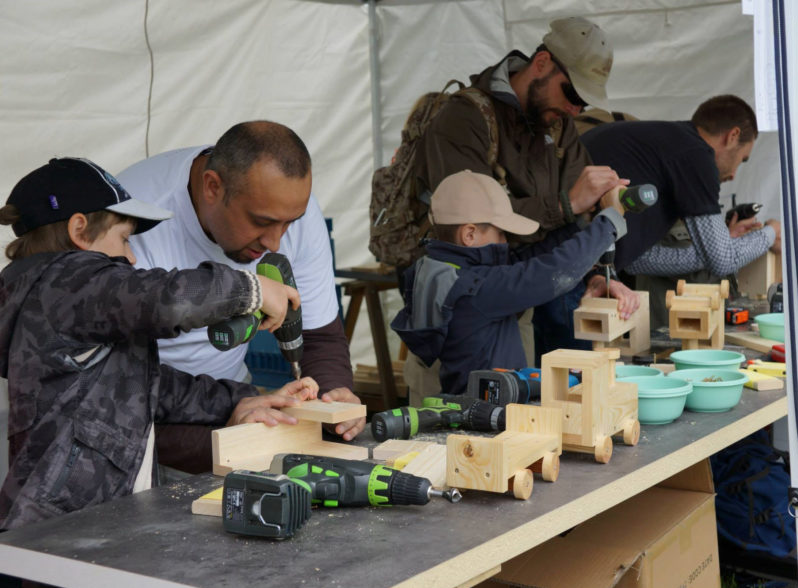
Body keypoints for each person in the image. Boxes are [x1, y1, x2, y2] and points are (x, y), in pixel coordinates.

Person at [0, 157, 320, 529]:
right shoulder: (64, 283)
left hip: (90, 518)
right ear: (79, 230)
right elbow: (166, 299)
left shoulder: (66, 307)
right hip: (62, 525)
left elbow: (151, 385)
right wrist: (251, 288)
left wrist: (240, 400)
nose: (132, 256)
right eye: (123, 239)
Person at [116, 122, 365, 472]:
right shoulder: (132, 220)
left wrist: (333, 398)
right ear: (212, 187)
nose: (275, 243)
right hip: (141, 433)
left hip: (236, 408)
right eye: (261, 222)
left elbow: (320, 335)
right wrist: (228, 435)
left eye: (289, 224)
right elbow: (112, 397)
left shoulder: (285, 207)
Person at [413, 16, 641, 371]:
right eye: (572, 93)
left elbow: (561, 234)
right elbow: (469, 221)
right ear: (541, 64)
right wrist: (568, 204)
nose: (575, 109)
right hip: (465, 318)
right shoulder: (464, 119)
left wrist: (593, 275)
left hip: (517, 308)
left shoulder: (559, 125)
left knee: (521, 406)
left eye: (583, 102)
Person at [391, 170, 628, 395]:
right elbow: (549, 273)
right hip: (485, 419)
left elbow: (524, 261)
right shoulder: (475, 289)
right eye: (502, 233)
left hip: (467, 401)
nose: (506, 242)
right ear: (469, 235)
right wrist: (609, 221)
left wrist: (582, 223)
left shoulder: (441, 268)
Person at [581, 95, 781, 325]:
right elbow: (723, 261)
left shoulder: (671, 147)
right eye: (741, 159)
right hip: (572, 268)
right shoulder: (695, 155)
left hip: (575, 264)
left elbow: (638, 259)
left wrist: (724, 240)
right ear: (732, 136)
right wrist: (769, 233)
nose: (734, 173)